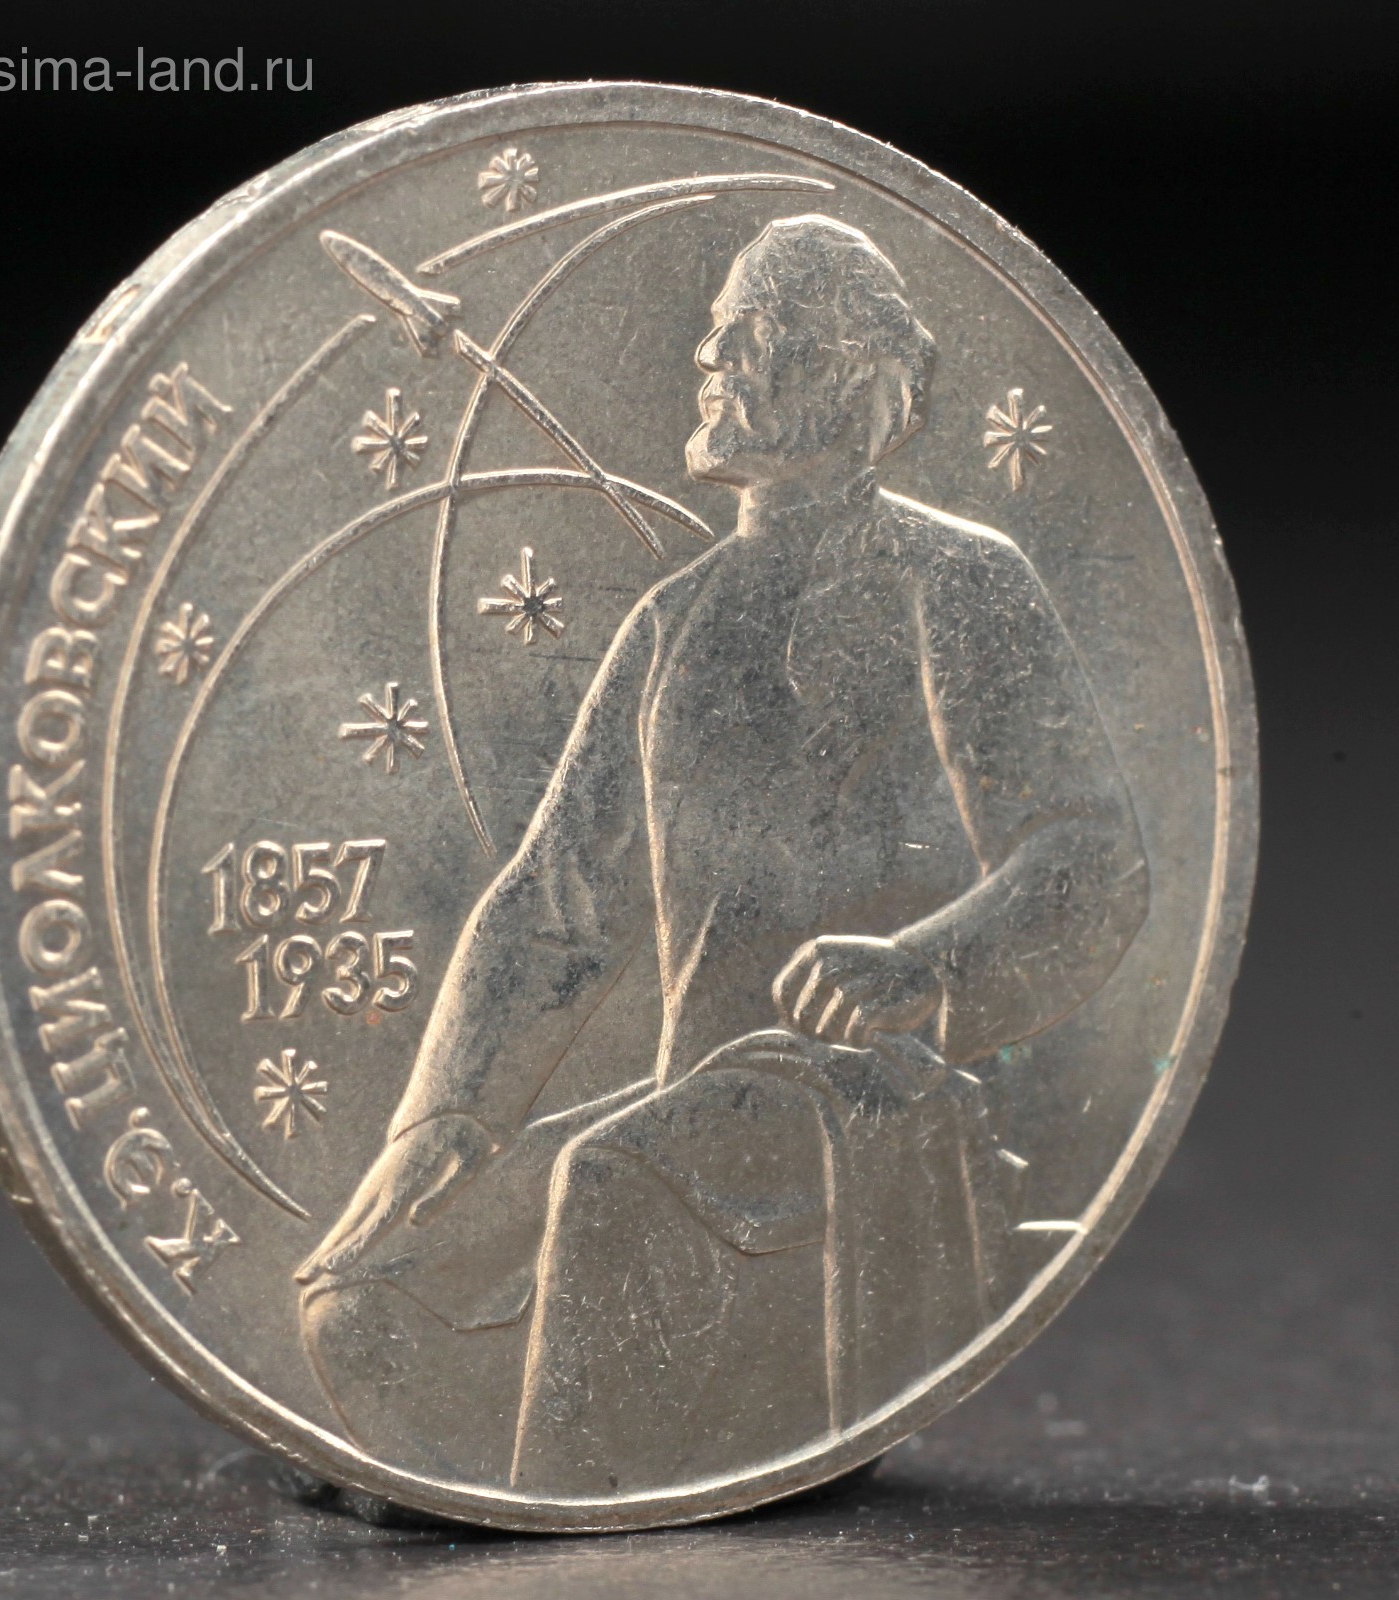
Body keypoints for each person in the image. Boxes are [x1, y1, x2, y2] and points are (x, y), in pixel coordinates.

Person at [297, 214, 1149, 1493]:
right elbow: (550, 907)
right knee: (366, 1284)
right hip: (688, 1108)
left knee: (612, 1176)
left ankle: (581, 1525)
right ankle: (472, 1500)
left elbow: (1087, 853)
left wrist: (921, 966)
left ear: (850, 375)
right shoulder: (670, 619)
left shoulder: (955, 580)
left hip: (864, 1100)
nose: (709, 356)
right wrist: (443, 1121)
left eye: (750, 331)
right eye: (715, 330)